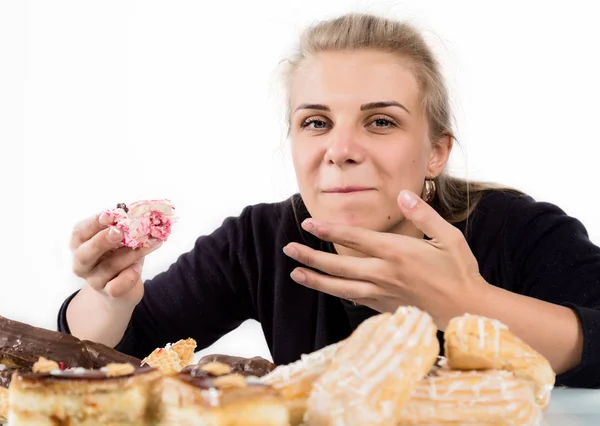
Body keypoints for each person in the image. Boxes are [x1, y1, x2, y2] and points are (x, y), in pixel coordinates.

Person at [59, 12, 600, 388]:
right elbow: (114, 353)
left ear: (436, 152)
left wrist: (468, 305)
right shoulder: (261, 242)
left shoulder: (522, 231)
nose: (340, 150)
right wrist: (110, 299)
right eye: (316, 122)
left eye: (381, 121)